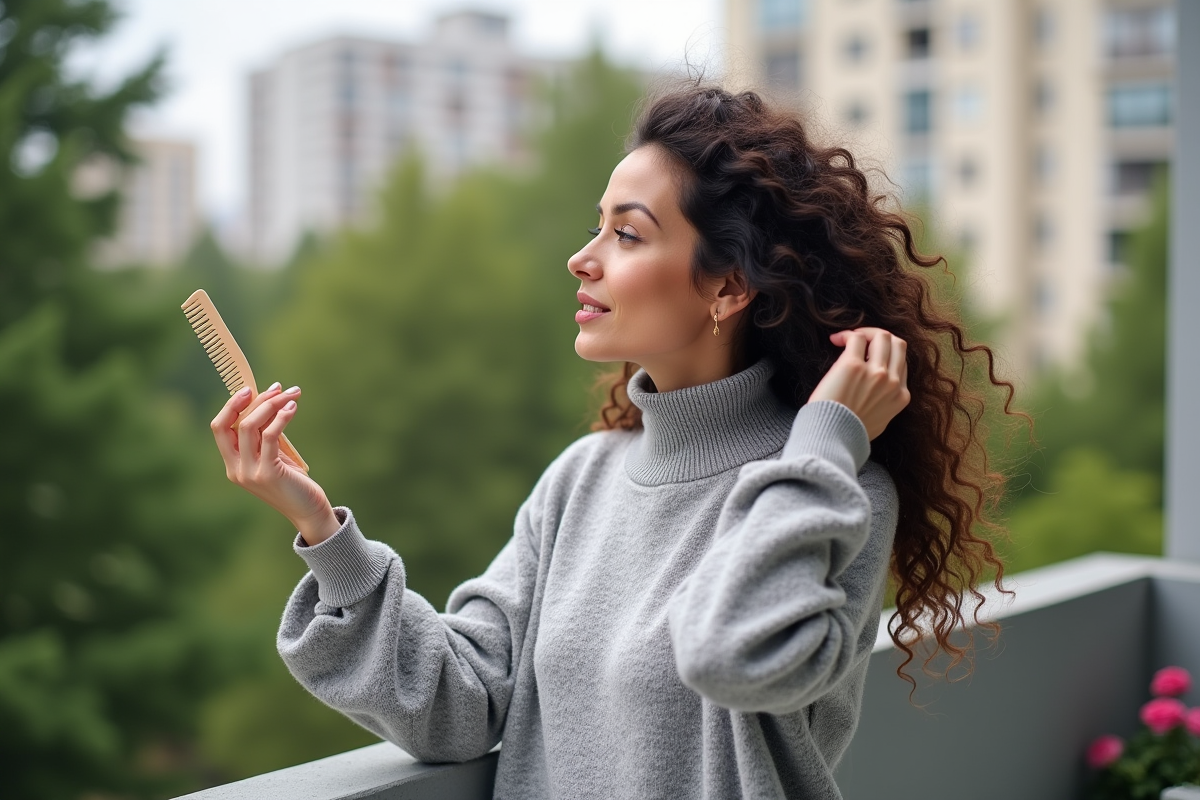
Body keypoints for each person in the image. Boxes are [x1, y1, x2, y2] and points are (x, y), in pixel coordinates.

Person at [210, 85, 1015, 799]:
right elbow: (458, 707)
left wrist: (825, 441)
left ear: (729, 286)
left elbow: (732, 654)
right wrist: (323, 532)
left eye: (626, 235)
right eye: (596, 228)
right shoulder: (582, 479)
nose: (581, 258)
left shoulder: (835, 492)